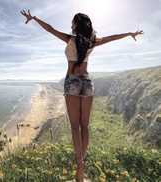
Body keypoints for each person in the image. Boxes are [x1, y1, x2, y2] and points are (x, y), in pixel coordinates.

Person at [21, 10, 143, 182]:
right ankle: (81, 166)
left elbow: (49, 29)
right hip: (87, 81)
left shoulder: (70, 39)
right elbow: (112, 37)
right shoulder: (92, 42)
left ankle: (79, 164)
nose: (70, 25)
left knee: (74, 127)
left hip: (72, 82)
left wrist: (33, 18)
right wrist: (129, 34)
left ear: (77, 24)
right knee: (84, 126)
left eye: (72, 22)